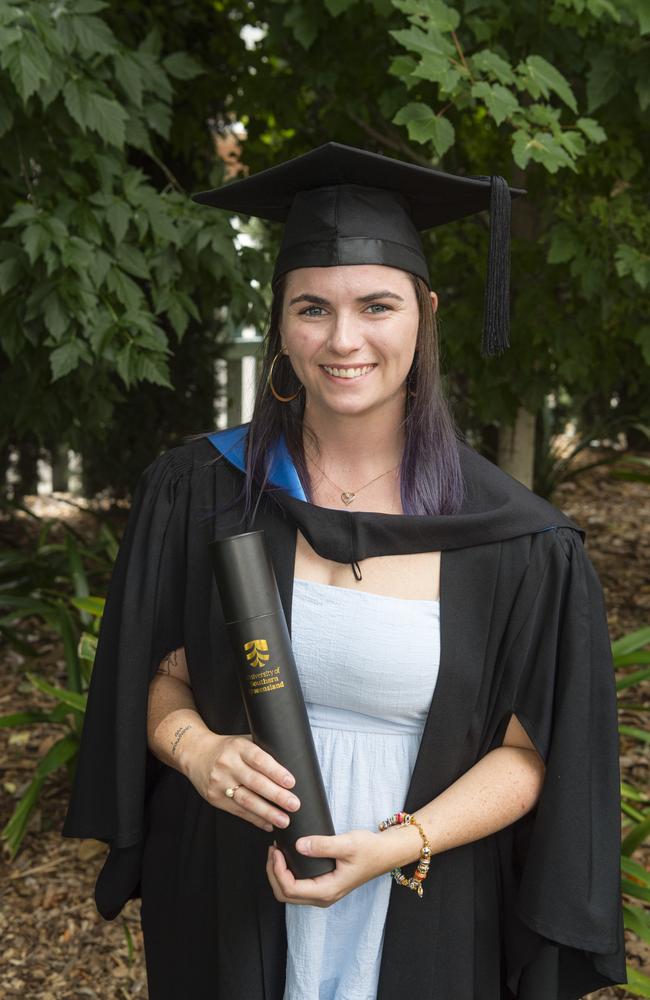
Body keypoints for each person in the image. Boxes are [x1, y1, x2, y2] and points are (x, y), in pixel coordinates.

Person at [62, 141, 627, 999]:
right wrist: (199, 750)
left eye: (376, 305)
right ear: (281, 324)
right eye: (312, 309)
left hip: (421, 898)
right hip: (228, 894)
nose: (344, 339)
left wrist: (399, 845)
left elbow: (528, 755)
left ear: (425, 314)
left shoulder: (513, 538)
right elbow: (160, 679)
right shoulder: (201, 491)